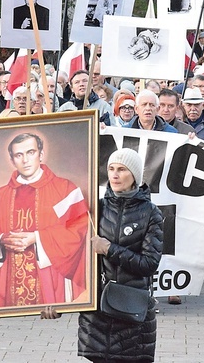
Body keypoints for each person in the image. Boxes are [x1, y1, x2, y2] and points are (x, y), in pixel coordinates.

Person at [0, 133, 90, 307]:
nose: (25, 160)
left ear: (41, 155)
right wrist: (2, 239)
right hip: (11, 278)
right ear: (12, 160)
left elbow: (78, 228)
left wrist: (37, 238)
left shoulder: (65, 189)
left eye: (30, 152)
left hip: (50, 276)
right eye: (19, 155)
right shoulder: (1, 195)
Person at [72, 148, 163, 362]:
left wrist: (109, 249)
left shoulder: (151, 212)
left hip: (131, 312)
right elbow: (73, 259)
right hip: (97, 314)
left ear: (135, 176)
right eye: (111, 169)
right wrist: (58, 302)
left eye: (122, 170)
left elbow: (149, 263)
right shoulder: (95, 208)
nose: (114, 174)